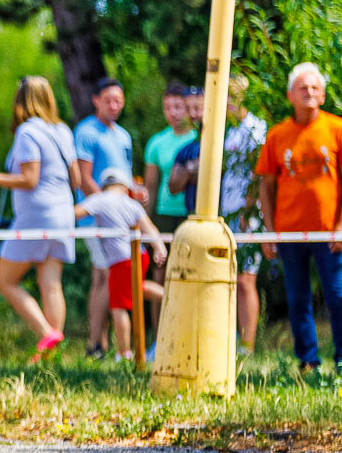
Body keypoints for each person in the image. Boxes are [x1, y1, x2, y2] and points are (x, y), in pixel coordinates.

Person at [0, 75, 79, 361]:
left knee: (5, 281)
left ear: (21, 101)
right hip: (64, 214)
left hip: (36, 216)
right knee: (51, 283)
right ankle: (51, 355)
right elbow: (75, 180)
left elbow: (30, 179)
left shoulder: (28, 132)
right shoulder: (63, 130)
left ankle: (47, 334)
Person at [169, 74, 266, 354]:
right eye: (224, 97)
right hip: (223, 214)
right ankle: (226, 340)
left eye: (232, 97)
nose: (227, 102)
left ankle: (247, 345)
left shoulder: (255, 128)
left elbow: (258, 174)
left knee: (245, 279)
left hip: (246, 214)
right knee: (223, 279)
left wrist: (248, 208)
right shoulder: (226, 130)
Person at [256, 63, 342, 372]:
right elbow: (266, 185)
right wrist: (269, 231)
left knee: (338, 295)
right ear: (290, 95)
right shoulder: (278, 135)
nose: (309, 92)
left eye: (315, 87)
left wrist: (340, 227)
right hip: (289, 232)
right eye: (302, 88)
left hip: (329, 233)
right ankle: (308, 361)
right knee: (297, 299)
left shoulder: (336, 128)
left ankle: (341, 360)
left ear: (323, 95)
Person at [73, 77, 141, 357]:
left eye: (119, 101)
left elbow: (124, 177)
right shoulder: (86, 132)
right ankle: (96, 344)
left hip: (119, 221)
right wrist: (108, 205)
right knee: (105, 276)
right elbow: (84, 178)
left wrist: (134, 193)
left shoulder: (123, 136)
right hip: (96, 219)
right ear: (96, 101)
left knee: (105, 278)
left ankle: (101, 343)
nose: (114, 106)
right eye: (109, 101)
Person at [73, 167, 168, 361]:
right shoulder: (131, 204)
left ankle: (123, 353)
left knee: (118, 307)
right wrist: (159, 248)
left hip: (121, 260)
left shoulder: (99, 199)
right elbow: (149, 229)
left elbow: (75, 213)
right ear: (125, 186)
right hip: (139, 255)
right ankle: (171, 296)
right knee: (136, 288)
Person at [143, 84, 199, 235]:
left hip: (193, 212)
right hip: (164, 212)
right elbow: (150, 186)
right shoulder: (156, 142)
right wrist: (145, 224)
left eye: (177, 107)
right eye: (167, 108)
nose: (172, 113)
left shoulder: (200, 139)